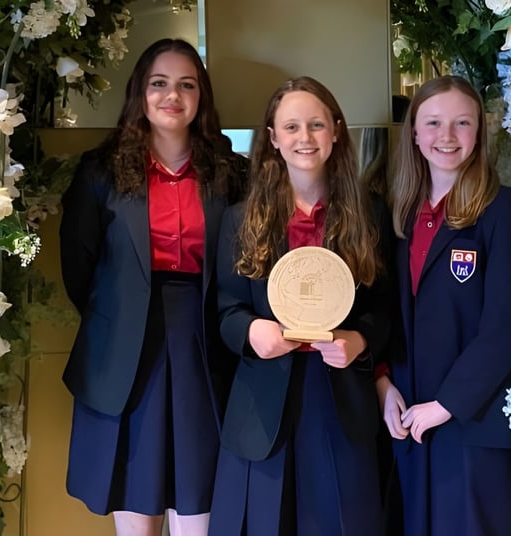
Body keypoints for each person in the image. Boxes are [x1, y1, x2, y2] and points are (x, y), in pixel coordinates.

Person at [59, 38, 247, 536]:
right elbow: (79, 269)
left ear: (201, 96)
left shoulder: (232, 173)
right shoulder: (100, 173)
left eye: (187, 85)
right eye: (159, 84)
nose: (172, 96)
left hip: (206, 349)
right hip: (124, 354)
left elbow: (246, 267)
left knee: (202, 514)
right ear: (139, 93)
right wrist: (120, 315)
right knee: (135, 511)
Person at [208, 76, 393, 536]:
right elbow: (225, 311)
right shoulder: (240, 218)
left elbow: (387, 309)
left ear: (335, 130)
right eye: (291, 127)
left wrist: (360, 339)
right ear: (272, 138)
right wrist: (253, 332)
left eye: (315, 124)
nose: (304, 138)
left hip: (340, 400)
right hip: (264, 403)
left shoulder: (371, 215)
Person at [376, 75, 511, 535]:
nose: (446, 136)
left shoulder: (502, 210)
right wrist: (382, 383)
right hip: (404, 420)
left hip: (471, 423)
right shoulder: (397, 214)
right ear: (415, 134)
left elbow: (505, 328)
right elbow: (381, 312)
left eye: (462, 123)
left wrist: (445, 404)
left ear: (479, 133)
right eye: (434, 123)